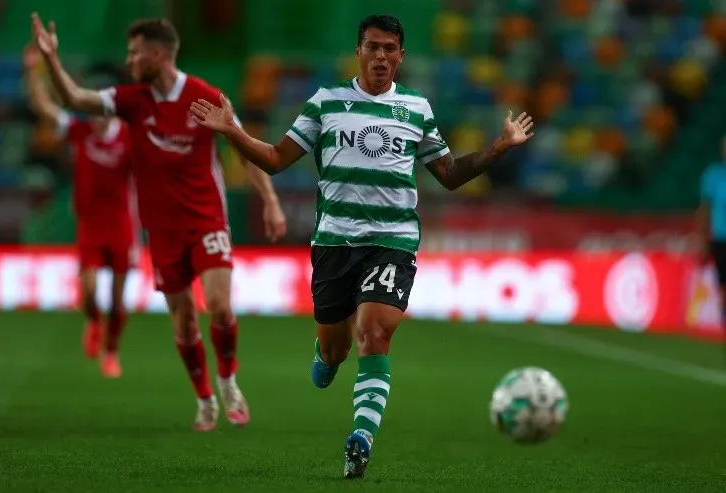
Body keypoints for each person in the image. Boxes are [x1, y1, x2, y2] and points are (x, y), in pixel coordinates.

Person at [190, 14, 534, 477]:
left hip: (392, 241)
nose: (380, 56)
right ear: (359, 52)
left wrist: (498, 148)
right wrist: (231, 130)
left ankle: (361, 439)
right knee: (335, 350)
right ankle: (326, 353)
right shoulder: (326, 102)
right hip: (334, 241)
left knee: (375, 333)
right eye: (372, 47)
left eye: (389, 48)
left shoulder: (417, 109)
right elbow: (274, 159)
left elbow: (449, 175)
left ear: (401, 56)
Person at [31, 13, 287, 431]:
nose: (129, 61)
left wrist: (271, 199)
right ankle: (204, 399)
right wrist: (52, 60)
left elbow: (245, 149)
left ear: (159, 53)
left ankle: (228, 382)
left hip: (207, 220)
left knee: (220, 307)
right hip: (162, 231)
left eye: (135, 53)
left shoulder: (206, 97)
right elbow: (77, 99)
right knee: (184, 321)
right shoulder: (132, 100)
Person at [24, 43, 137, 379]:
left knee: (118, 299)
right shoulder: (79, 131)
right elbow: (43, 107)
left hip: (121, 224)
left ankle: (112, 350)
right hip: (90, 223)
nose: (96, 117)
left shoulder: (130, 139)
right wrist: (33, 69)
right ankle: (92, 321)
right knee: (88, 292)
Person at [696, 137, 726, 329]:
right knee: (723, 282)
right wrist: (702, 241)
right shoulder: (713, 175)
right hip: (721, 238)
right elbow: (704, 210)